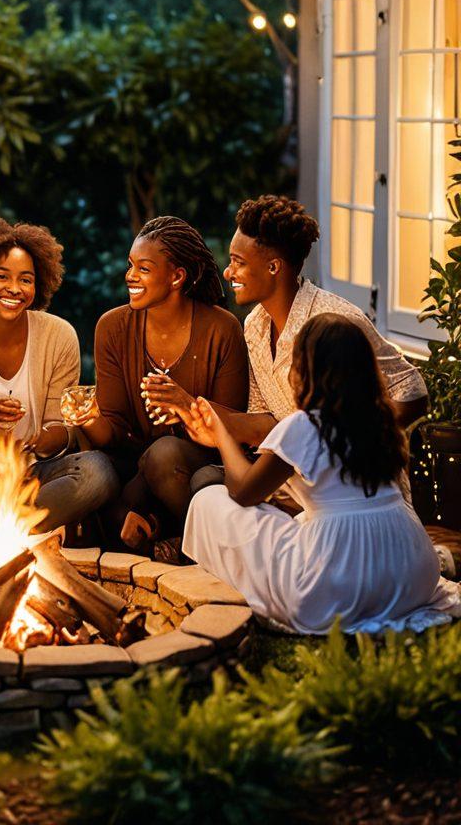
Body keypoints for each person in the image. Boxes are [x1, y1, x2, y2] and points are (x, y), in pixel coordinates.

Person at [181, 314, 461, 634]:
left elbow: (244, 491)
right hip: (411, 568)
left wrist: (221, 437)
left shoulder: (305, 425)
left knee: (209, 499)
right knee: (298, 522)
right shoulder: (379, 420)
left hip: (336, 582)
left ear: (304, 371)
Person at [148, 195, 427, 447]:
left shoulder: (335, 320)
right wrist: (189, 406)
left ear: (273, 267)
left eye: (238, 262)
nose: (227, 272)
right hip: (287, 478)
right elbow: (263, 419)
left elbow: (411, 388)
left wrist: (352, 447)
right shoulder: (254, 326)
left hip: (347, 489)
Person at [0, 216, 118, 548]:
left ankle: (2, 534)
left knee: (98, 471)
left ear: (38, 285)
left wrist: (44, 439)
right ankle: (35, 534)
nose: (14, 289)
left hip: (40, 475)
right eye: (1, 277)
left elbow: (62, 428)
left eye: (26, 280)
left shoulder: (59, 336)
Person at [75, 216, 249, 551]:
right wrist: (88, 419)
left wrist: (187, 407)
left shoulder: (221, 329)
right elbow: (112, 433)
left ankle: (198, 547)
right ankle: (153, 530)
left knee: (164, 456)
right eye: (130, 265)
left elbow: (234, 432)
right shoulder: (112, 328)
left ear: (177, 276)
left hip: (192, 467)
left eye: (143, 268)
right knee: (105, 484)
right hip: (131, 468)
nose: (130, 276)